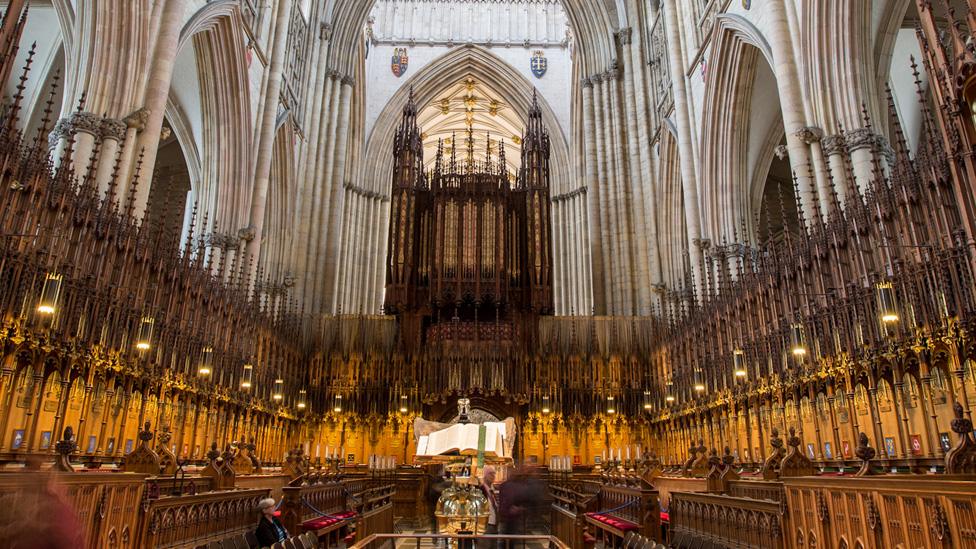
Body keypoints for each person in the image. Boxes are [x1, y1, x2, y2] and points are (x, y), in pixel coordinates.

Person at [476, 466, 498, 549]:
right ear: (485, 475)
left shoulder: (491, 490)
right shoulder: (480, 490)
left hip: (493, 525)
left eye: (494, 473)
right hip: (485, 526)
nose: (493, 476)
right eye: (490, 474)